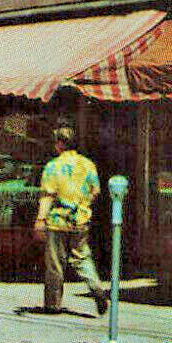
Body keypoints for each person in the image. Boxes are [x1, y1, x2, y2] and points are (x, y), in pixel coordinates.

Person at [34, 126, 108, 315]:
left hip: (57, 221)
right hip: (80, 220)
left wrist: (40, 219)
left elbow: (48, 195)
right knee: (82, 257)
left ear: (60, 144)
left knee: (55, 263)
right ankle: (96, 287)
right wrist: (82, 206)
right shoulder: (88, 165)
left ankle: (53, 304)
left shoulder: (53, 166)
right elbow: (95, 191)